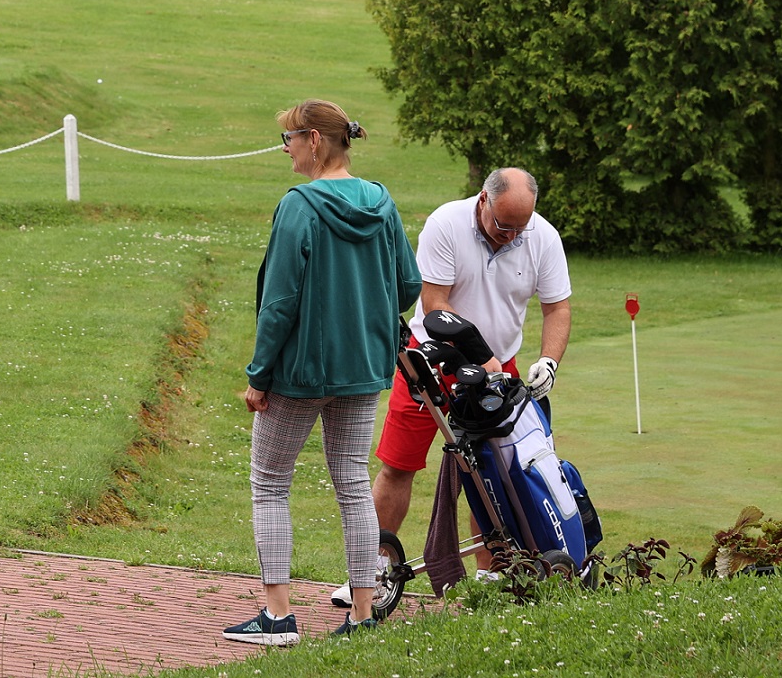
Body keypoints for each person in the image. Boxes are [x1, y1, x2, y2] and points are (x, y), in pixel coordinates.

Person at [222, 100, 421, 647]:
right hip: (363, 370)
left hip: (300, 373)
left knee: (269, 483)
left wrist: (259, 375)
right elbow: (408, 286)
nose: (284, 147)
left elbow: (279, 302)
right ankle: (361, 615)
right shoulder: (381, 202)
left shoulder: (300, 207)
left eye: (288, 138)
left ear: (314, 139)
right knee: (353, 485)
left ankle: (278, 616)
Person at [330, 166, 572, 604]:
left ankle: (492, 574)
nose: (511, 236)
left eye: (521, 227)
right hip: (432, 364)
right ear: (483, 200)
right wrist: (481, 359)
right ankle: (368, 575)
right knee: (398, 465)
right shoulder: (446, 223)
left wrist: (549, 362)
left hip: (501, 365)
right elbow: (434, 305)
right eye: (503, 225)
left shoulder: (542, 236)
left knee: (495, 471)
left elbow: (557, 308)